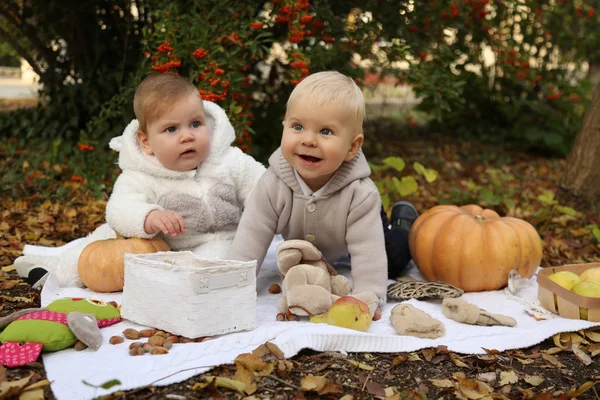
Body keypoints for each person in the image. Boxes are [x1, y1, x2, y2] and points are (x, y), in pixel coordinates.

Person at [16, 73, 266, 288]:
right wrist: (148, 216)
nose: (187, 136)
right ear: (146, 142)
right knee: (97, 247)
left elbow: (263, 188)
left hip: (218, 241)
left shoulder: (230, 161)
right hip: (159, 246)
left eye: (195, 124)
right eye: (171, 129)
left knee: (218, 260)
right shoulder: (140, 175)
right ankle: (55, 273)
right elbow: (119, 208)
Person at [227, 70, 415, 315]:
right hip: (311, 248)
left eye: (325, 131)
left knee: (394, 257)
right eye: (297, 126)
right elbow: (252, 234)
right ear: (284, 126)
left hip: (359, 229)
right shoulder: (272, 183)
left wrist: (369, 295)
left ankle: (404, 224)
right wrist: (232, 282)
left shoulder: (361, 194)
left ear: (352, 147)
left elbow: (368, 251)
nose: (309, 140)